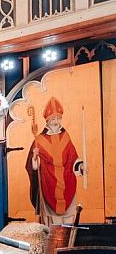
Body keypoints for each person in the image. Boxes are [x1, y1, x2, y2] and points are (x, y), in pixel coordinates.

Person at [25, 96, 85, 225]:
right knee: (50, 223)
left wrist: (80, 166)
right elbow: (33, 167)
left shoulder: (65, 136)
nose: (56, 121)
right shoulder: (39, 140)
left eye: (58, 118)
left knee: (68, 220)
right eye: (53, 118)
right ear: (47, 120)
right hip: (48, 182)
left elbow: (73, 157)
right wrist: (35, 158)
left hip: (67, 180)